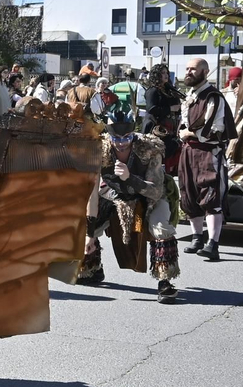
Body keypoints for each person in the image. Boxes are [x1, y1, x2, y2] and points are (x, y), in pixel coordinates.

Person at [76, 98, 181, 303]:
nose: (122, 144)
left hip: (149, 197)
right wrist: (89, 234)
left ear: (134, 133)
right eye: (117, 139)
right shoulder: (98, 149)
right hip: (115, 195)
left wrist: (130, 178)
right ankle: (92, 268)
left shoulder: (150, 148)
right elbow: (92, 193)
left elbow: (156, 190)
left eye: (127, 138)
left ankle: (165, 282)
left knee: (161, 229)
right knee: (84, 225)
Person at [176, 57, 232, 261]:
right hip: (189, 152)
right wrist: (182, 133)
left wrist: (189, 134)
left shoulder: (213, 97)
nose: (189, 72)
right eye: (187, 68)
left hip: (208, 152)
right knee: (189, 194)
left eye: (194, 69)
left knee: (211, 193)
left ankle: (213, 243)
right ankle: (197, 238)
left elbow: (213, 128)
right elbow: (184, 123)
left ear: (205, 72)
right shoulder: (191, 95)